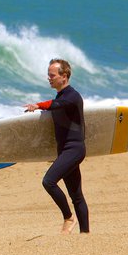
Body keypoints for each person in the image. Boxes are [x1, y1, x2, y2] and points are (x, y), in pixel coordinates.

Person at [24, 58, 90, 234]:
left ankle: (68, 217)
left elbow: (56, 105)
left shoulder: (72, 96)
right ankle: (86, 234)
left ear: (64, 76)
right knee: (76, 196)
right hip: (65, 151)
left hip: (74, 149)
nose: (49, 78)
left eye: (52, 75)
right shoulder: (61, 97)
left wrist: (38, 105)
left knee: (48, 181)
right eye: (48, 75)